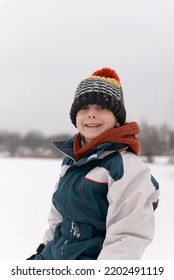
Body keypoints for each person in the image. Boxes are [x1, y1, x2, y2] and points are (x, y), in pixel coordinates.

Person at [27, 67, 159, 260]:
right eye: (84, 108)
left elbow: (128, 238)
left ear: (117, 120)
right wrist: (43, 251)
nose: (91, 114)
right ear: (75, 117)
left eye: (102, 108)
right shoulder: (71, 161)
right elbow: (59, 216)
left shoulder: (127, 169)